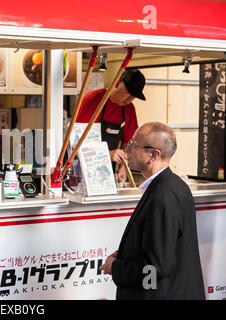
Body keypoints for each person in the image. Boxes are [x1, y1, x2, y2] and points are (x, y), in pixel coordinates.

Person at [99, 122, 205, 300]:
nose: (128, 149)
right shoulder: (173, 185)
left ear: (153, 155)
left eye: (133, 145)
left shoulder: (162, 196)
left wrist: (115, 268)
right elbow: (162, 249)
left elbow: (154, 269)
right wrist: (127, 255)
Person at [75, 69, 146, 181]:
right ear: (117, 83)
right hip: (80, 171)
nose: (131, 99)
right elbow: (77, 142)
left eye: (134, 96)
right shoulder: (92, 100)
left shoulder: (129, 109)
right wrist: (107, 154)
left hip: (106, 174)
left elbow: (129, 143)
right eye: (129, 93)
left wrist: (124, 166)